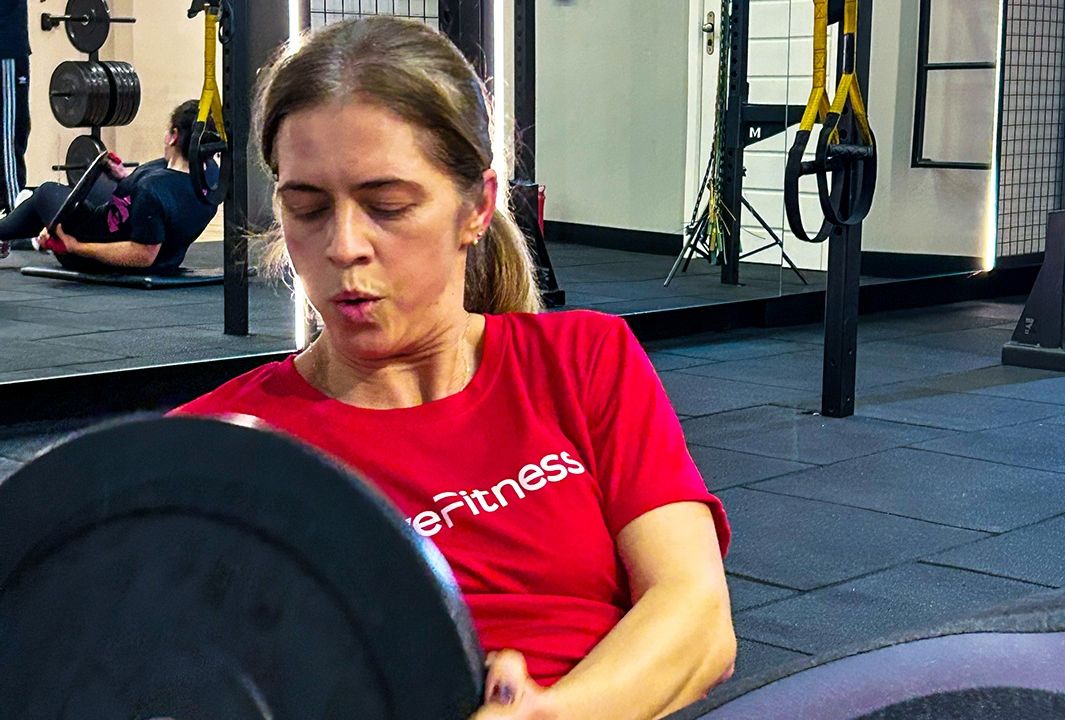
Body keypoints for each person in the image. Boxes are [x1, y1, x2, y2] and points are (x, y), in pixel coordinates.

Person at [173, 16, 736, 720]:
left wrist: (553, 715)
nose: (343, 246)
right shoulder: (214, 448)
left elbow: (697, 615)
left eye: (387, 206)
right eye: (307, 208)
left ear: (477, 208)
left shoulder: (583, 360)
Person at [0, 100, 219, 275]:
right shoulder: (211, 175)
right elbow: (166, 195)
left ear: (173, 136)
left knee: (47, 192)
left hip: (94, 250)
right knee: (90, 187)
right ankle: (29, 233)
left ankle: (9, 231)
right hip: (135, 233)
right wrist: (124, 175)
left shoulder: (153, 191)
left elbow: (143, 256)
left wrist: (76, 247)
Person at [0, 0, 31, 259]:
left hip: (11, 44)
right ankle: (15, 218)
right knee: (10, 137)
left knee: (15, 132)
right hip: (6, 48)